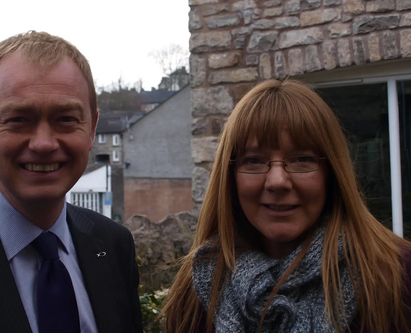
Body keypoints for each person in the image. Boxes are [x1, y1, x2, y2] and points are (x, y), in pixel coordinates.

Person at [0, 31, 142, 333]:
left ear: (91, 129)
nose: (44, 143)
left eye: (66, 119)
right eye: (19, 119)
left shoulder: (114, 245)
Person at [163, 79, 411, 333]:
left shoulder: (397, 278)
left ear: (332, 173)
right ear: (230, 176)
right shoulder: (196, 290)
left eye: (302, 159)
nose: (278, 181)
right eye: (254, 160)